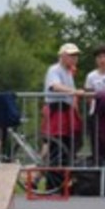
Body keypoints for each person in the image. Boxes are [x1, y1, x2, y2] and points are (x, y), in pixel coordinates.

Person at [43, 42, 85, 181]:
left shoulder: (68, 71)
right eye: (71, 55)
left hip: (66, 111)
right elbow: (55, 86)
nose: (75, 58)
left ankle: (63, 180)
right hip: (57, 110)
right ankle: (53, 182)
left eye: (76, 55)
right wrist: (74, 91)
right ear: (62, 56)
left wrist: (75, 105)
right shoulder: (54, 69)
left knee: (69, 145)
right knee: (57, 146)